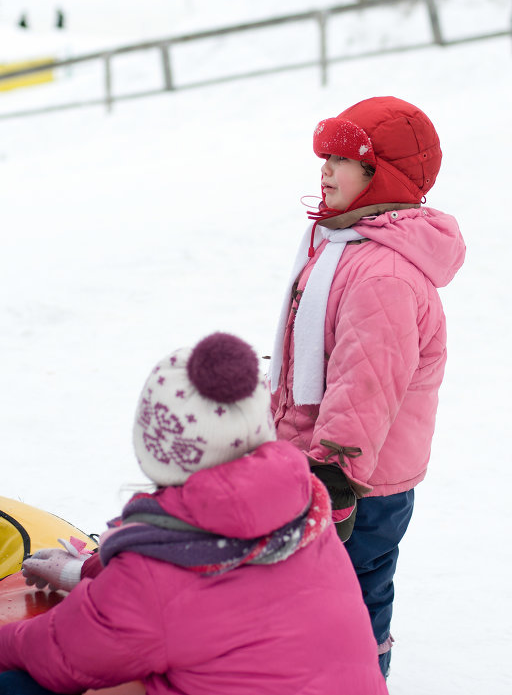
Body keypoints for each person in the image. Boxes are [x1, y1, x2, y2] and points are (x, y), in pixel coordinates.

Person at [0, 332, 388, 695]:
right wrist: (83, 571)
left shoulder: (158, 570)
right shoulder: (301, 507)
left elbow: (65, 651)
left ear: (157, 448)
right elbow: (196, 600)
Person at [269, 96, 466, 678]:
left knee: (349, 601)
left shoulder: (382, 273)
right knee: (318, 600)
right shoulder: (343, 249)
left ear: (383, 175)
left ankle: (355, 682)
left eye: (341, 160)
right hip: (322, 468)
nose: (324, 171)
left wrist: (335, 474)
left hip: (358, 485)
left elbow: (368, 383)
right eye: (323, 158)